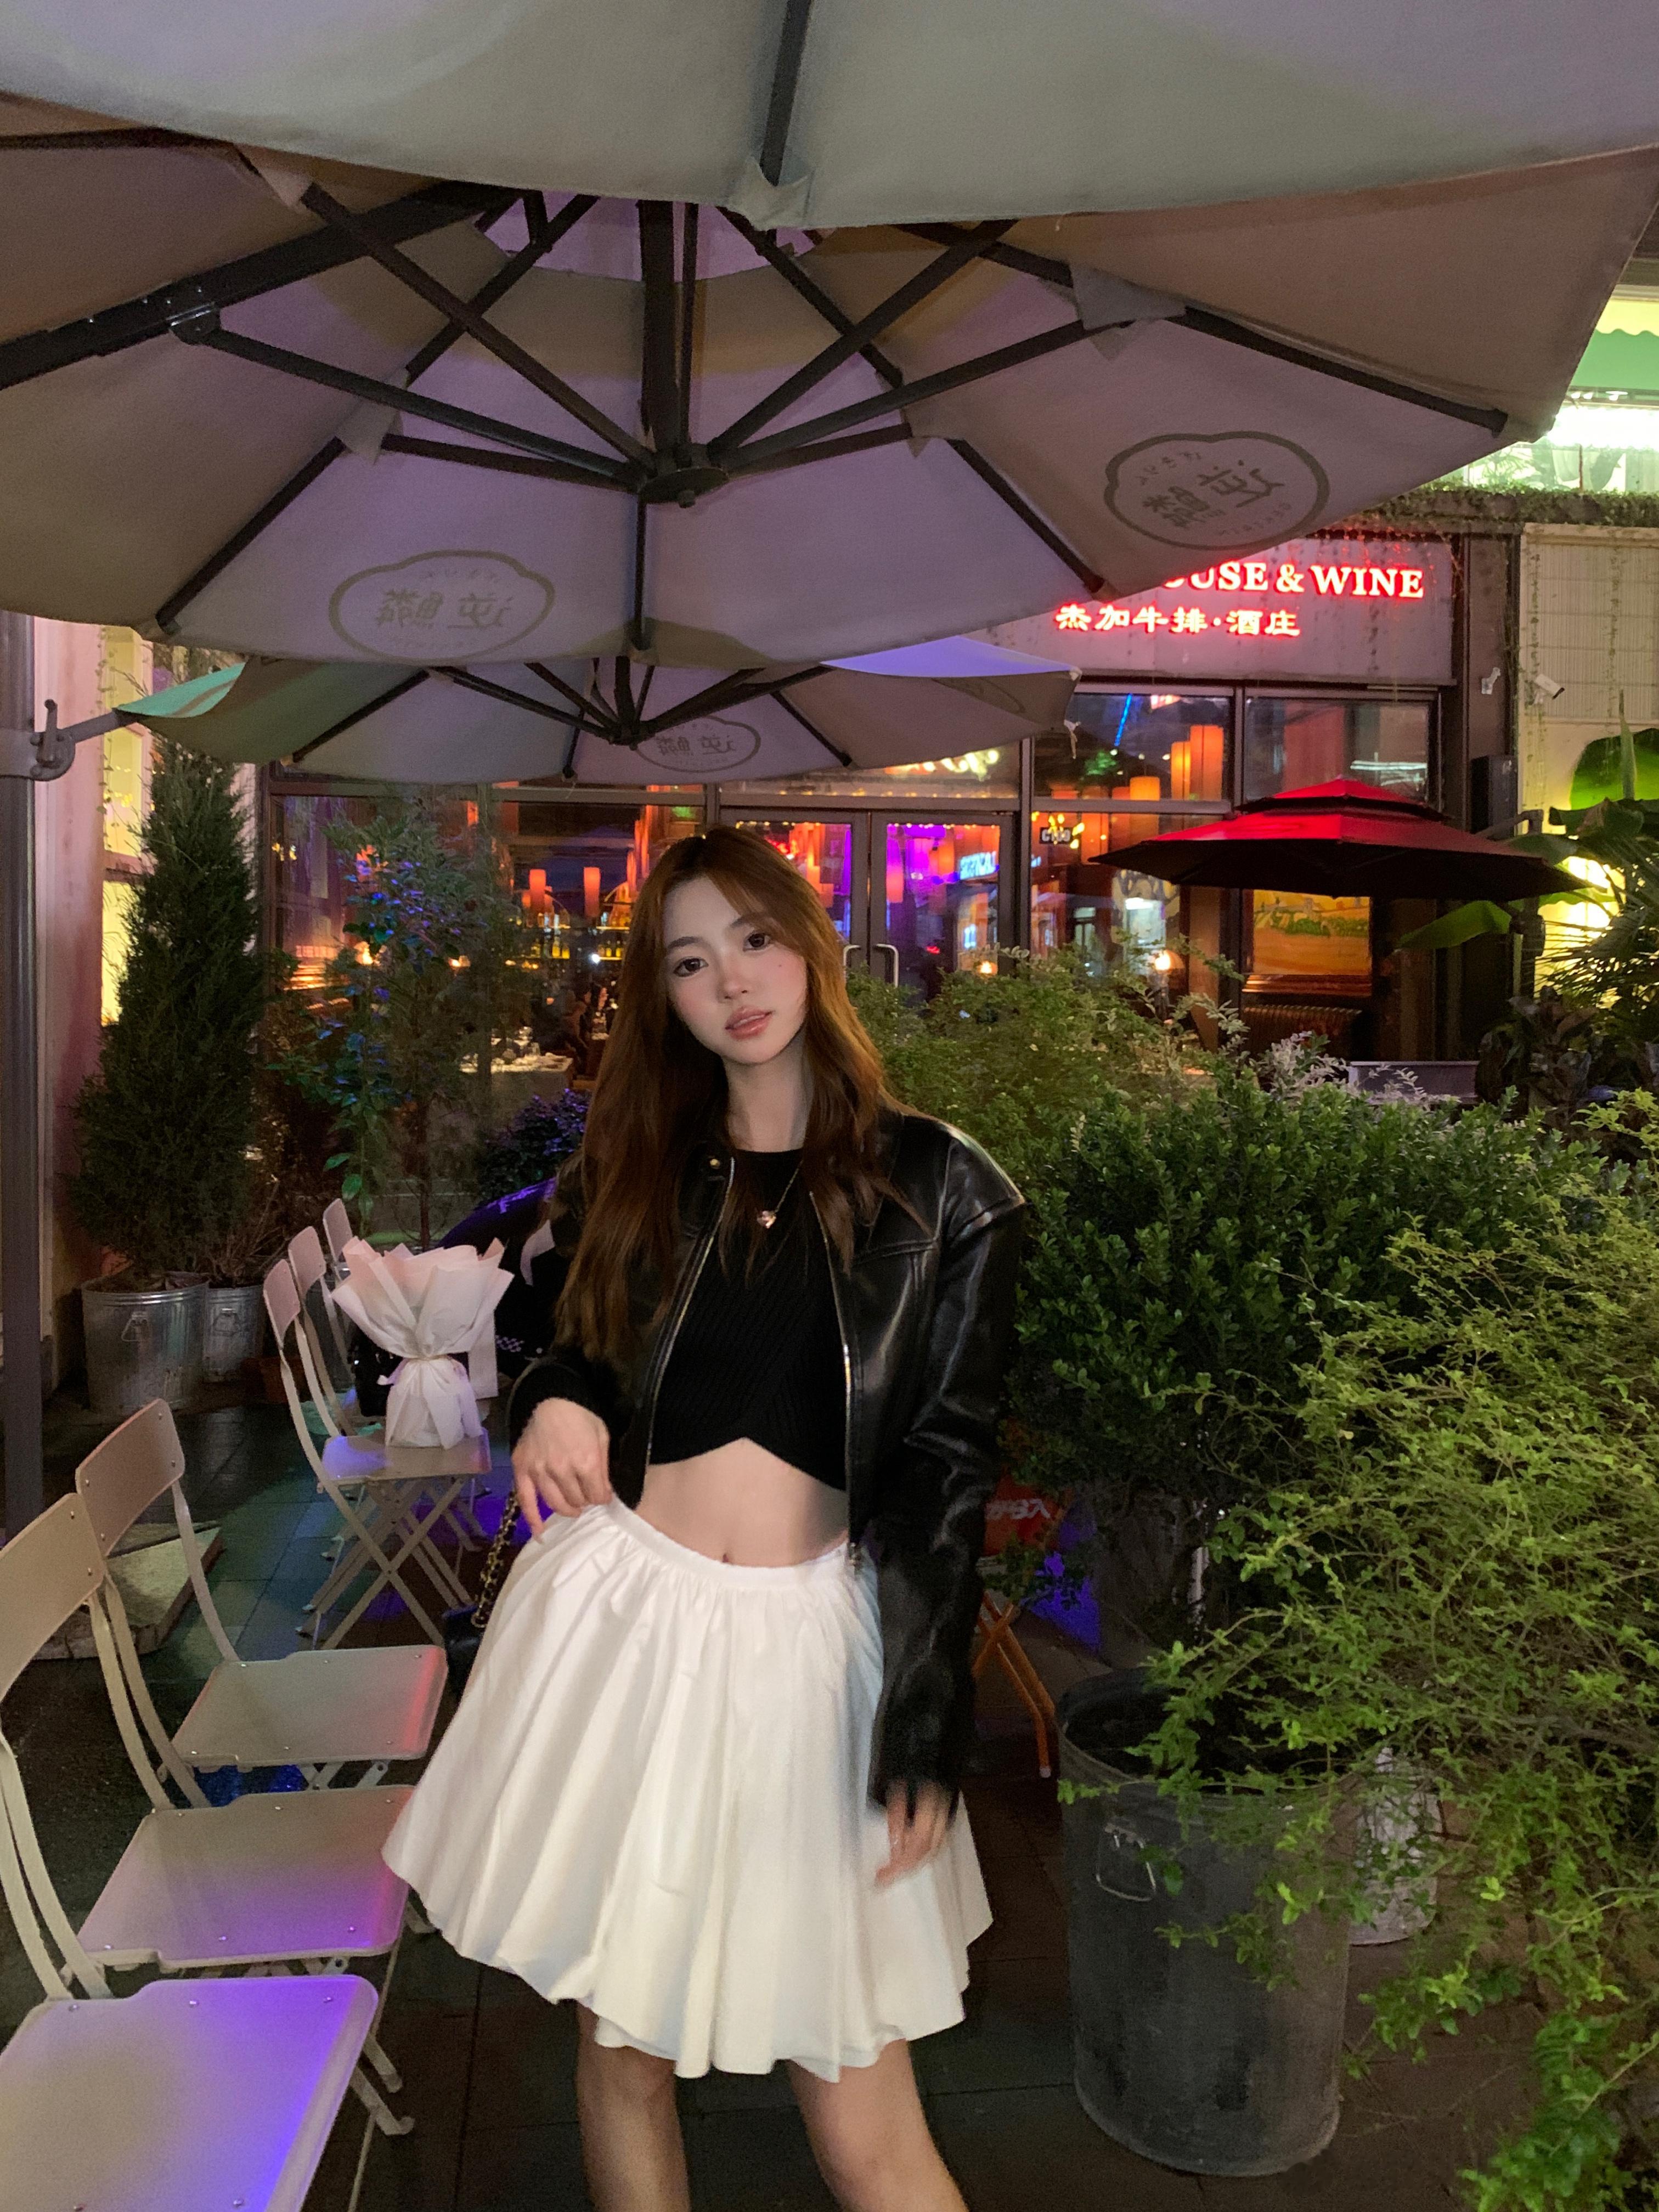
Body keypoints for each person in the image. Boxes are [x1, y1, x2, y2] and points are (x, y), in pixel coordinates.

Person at [383, 826, 1024, 2212]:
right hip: (629, 1628)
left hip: (812, 1657)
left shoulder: (947, 1189)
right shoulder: (640, 1167)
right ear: (662, 996)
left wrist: (925, 1712)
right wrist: (553, 1398)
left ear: (812, 944)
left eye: (753, 937)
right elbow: (572, 1347)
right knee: (623, 2056)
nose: (731, 982)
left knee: (863, 2113)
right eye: (689, 961)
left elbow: (947, 1468)